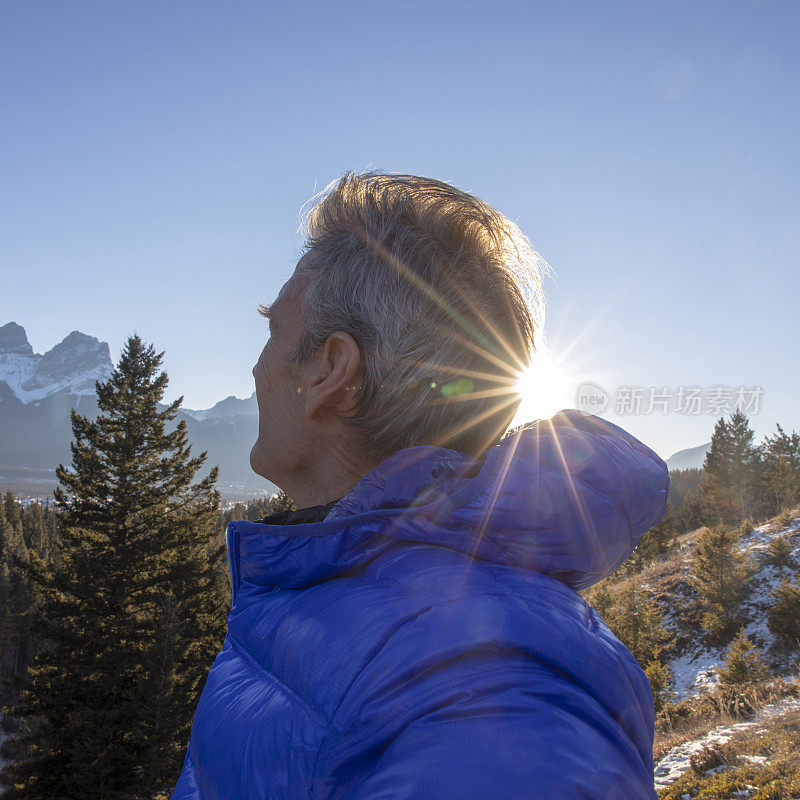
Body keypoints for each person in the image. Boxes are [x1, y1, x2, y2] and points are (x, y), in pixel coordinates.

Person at [171, 172, 667, 799]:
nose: (256, 365)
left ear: (332, 371)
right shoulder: (341, 590)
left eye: (273, 332)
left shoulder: (479, 686)